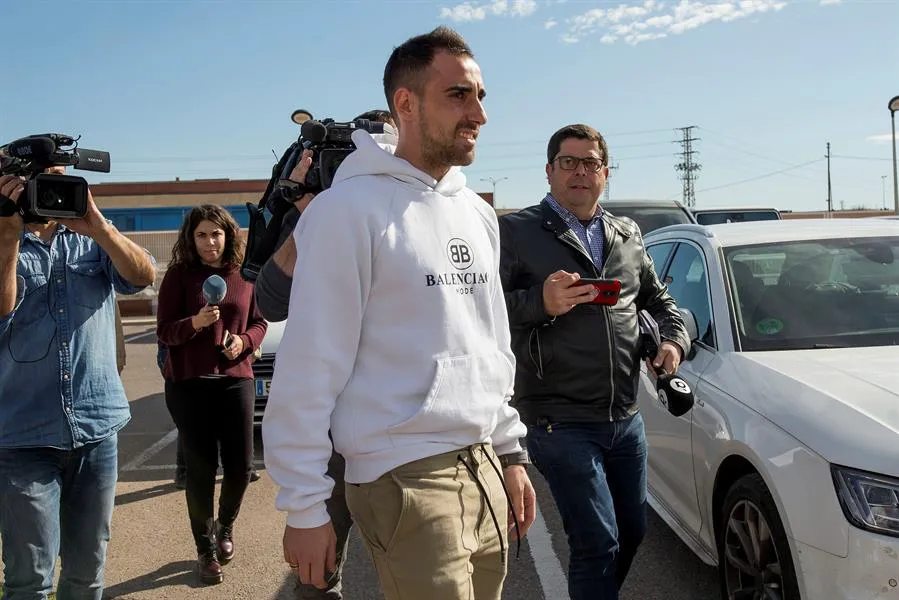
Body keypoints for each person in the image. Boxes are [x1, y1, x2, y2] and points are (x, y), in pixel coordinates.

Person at [262, 27, 537, 600]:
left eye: (481, 95)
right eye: (459, 95)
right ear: (405, 104)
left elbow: (491, 346)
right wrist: (306, 505)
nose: (479, 113)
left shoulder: (476, 213)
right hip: (404, 477)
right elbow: (309, 366)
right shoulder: (347, 211)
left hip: (482, 461)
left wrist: (510, 452)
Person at [498, 123, 691, 600]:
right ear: (549, 171)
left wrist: (673, 341)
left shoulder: (625, 234)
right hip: (557, 420)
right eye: (569, 162)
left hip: (625, 418)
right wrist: (540, 301)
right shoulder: (517, 231)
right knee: (597, 542)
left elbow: (660, 301)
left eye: (591, 163)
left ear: (605, 174)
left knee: (632, 534)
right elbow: (482, 311)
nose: (580, 172)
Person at [254, 109, 395, 600]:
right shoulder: (315, 215)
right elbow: (269, 301)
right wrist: (311, 217)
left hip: (402, 433)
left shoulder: (420, 210)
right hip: (334, 431)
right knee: (318, 577)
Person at [0, 170, 157, 599]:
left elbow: (142, 276)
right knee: (29, 580)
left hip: (95, 429)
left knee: (87, 574)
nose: (47, 193)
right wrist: (8, 236)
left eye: (58, 182)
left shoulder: (89, 239)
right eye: (36, 183)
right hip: (22, 438)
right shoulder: (1, 239)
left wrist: (100, 227)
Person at [156, 204, 268, 585]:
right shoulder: (178, 276)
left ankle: (225, 528)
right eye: (201, 234)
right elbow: (165, 332)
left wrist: (244, 342)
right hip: (189, 385)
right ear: (191, 237)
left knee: (240, 466)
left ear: (229, 235)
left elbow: (260, 321)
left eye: (216, 234)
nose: (209, 242)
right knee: (201, 471)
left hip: (235, 380)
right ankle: (205, 552)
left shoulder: (244, 274)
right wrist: (195, 323)